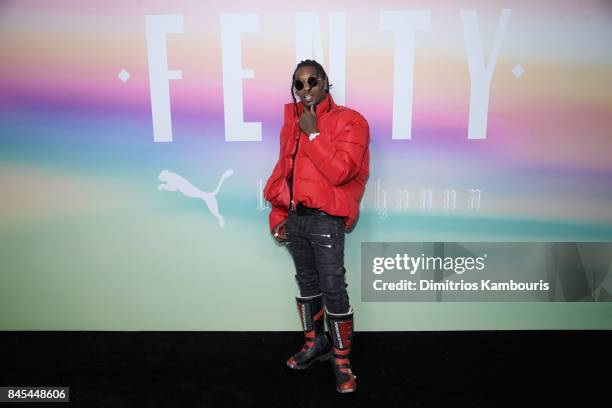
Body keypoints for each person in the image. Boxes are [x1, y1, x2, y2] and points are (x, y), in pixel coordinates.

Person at [263, 59, 370, 393]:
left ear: (326, 83)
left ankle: (341, 361)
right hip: (296, 218)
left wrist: (314, 134)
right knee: (306, 284)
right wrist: (279, 213)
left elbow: (342, 172)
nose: (305, 89)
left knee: (333, 288)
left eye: (312, 81)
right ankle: (316, 345)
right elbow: (285, 172)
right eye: (299, 83)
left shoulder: (350, 121)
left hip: (327, 220)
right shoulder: (290, 123)